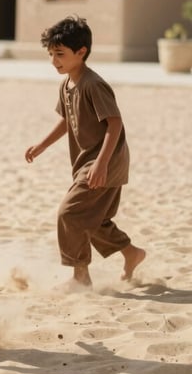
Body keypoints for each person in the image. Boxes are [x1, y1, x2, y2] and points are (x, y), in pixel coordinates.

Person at [25, 15, 145, 288]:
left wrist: (101, 164)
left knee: (69, 214)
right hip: (87, 161)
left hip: (106, 160)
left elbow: (114, 123)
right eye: (51, 54)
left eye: (60, 54)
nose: (54, 61)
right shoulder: (66, 83)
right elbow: (67, 120)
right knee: (93, 220)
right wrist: (41, 145)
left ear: (82, 52)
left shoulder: (93, 84)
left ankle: (80, 276)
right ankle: (132, 253)